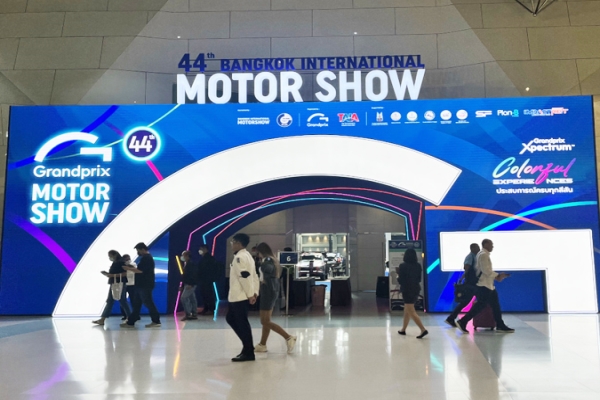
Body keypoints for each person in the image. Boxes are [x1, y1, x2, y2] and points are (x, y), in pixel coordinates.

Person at [457, 239, 515, 333]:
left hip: (488, 285)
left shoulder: (483, 254)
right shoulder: (483, 255)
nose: (492, 246)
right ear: (486, 244)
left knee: (495, 306)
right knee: (480, 306)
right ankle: (463, 321)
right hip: (484, 286)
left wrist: (497, 277)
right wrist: (498, 276)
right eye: (491, 244)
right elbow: (486, 270)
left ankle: (500, 324)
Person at [253, 242, 297, 354]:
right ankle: (262, 344)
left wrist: (260, 265)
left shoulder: (267, 260)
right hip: (271, 289)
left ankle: (288, 337)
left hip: (268, 290)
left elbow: (267, 269)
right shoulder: (272, 259)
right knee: (266, 320)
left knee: (264, 320)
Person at [226, 233, 259, 362]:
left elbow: (244, 277)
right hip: (242, 295)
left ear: (238, 243)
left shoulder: (239, 258)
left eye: (232, 242)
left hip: (240, 296)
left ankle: (248, 350)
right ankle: (247, 347)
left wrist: (251, 294)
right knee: (232, 319)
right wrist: (255, 292)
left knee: (241, 323)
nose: (231, 245)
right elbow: (254, 276)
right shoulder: (248, 256)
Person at [121, 243, 162, 329]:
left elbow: (141, 271)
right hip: (141, 285)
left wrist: (129, 269)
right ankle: (131, 321)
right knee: (137, 304)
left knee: (148, 302)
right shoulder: (145, 258)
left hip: (145, 285)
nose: (137, 252)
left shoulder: (147, 258)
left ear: (143, 249)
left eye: (138, 250)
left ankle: (156, 320)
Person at [445, 243, 481, 327]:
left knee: (465, 302)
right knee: (469, 302)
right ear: (472, 248)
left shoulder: (475, 257)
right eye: (477, 247)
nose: (479, 249)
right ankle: (454, 319)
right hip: (471, 284)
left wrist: (462, 278)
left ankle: (451, 318)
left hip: (473, 283)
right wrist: (464, 277)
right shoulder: (470, 257)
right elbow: (466, 268)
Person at [93, 250, 130, 326]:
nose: (110, 257)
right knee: (110, 300)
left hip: (119, 283)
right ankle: (102, 319)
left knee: (122, 300)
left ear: (115, 255)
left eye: (110, 256)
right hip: (114, 283)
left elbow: (125, 273)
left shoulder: (121, 262)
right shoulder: (116, 262)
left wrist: (112, 275)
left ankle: (130, 318)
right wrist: (109, 274)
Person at [397, 248, 428, 339]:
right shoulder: (418, 265)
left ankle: (423, 329)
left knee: (411, 310)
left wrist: (398, 276)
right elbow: (419, 279)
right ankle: (403, 329)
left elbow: (401, 280)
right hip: (415, 288)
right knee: (407, 309)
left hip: (407, 289)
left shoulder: (402, 266)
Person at [197, 245, 217, 315]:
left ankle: (210, 309)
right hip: (205, 279)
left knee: (208, 294)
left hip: (206, 279)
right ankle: (206, 308)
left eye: (201, 249)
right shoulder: (206, 258)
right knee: (205, 294)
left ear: (205, 249)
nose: (200, 250)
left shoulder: (208, 258)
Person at [180, 250, 198, 321]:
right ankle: (194, 314)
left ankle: (188, 314)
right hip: (188, 284)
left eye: (183, 255)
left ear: (187, 256)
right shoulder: (187, 264)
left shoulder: (191, 264)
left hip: (190, 284)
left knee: (183, 298)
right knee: (192, 299)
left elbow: (194, 275)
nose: (182, 257)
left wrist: (191, 284)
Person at [120, 254, 137, 321]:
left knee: (133, 300)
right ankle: (125, 315)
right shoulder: (121, 265)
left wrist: (127, 266)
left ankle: (135, 315)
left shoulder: (133, 264)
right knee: (122, 300)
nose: (127, 260)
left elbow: (133, 271)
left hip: (132, 284)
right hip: (124, 284)